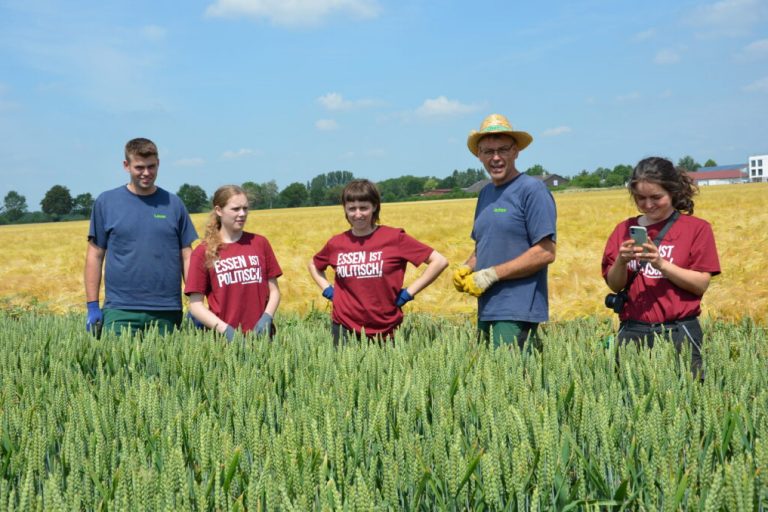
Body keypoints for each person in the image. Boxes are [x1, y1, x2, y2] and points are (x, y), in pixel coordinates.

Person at [601, 156, 720, 376]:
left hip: (679, 332)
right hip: (633, 332)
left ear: (672, 192)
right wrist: (621, 260)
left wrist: (660, 264)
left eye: (656, 197)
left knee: (686, 401)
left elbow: (701, 284)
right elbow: (615, 285)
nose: (648, 205)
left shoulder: (696, 229)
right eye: (640, 198)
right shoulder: (623, 229)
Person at [453, 114, 557, 349]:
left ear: (516, 151)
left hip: (517, 309)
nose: (496, 158)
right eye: (488, 151)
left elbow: (545, 252)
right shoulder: (486, 194)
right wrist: (467, 267)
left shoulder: (532, 190)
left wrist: (490, 275)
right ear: (478, 155)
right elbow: (485, 245)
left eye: (503, 150)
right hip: (487, 307)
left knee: (512, 380)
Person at [308, 179, 448, 344]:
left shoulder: (394, 238)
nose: (358, 214)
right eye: (352, 208)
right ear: (345, 209)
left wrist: (408, 294)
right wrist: (328, 291)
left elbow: (439, 261)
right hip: (344, 326)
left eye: (363, 207)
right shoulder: (336, 243)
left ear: (374, 206)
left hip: (385, 327)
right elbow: (314, 265)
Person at [84, 138, 198, 335]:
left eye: (151, 166)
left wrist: (196, 303)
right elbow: (95, 255)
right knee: (118, 365)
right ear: (126, 166)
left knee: (167, 366)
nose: (146, 173)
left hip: (167, 310)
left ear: (158, 164)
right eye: (139, 167)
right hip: (120, 309)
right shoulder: (106, 202)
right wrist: (93, 305)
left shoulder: (174, 203)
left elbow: (187, 256)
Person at [185, 185, 282, 341]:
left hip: (262, 339)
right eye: (235, 209)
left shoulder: (260, 243)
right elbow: (196, 305)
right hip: (224, 343)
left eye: (245, 208)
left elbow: (275, 291)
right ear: (219, 210)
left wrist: (267, 316)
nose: (242, 214)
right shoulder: (203, 252)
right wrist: (226, 331)